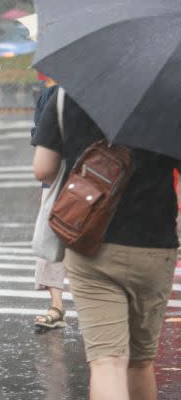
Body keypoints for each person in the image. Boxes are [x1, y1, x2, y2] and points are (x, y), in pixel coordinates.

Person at [33, 90, 179, 400]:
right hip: (154, 242)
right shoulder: (169, 94)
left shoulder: (68, 93)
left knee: (107, 363)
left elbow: (43, 168)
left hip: (90, 240)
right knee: (140, 364)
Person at [31, 77, 67, 330]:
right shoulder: (50, 96)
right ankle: (57, 304)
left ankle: (57, 305)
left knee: (53, 236)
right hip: (61, 176)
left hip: (83, 177)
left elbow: (39, 140)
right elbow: (39, 135)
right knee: (52, 239)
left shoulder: (54, 95)